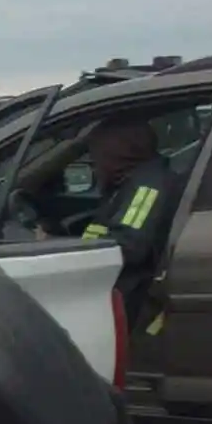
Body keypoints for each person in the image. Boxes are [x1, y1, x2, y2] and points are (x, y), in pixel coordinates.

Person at [74, 116, 184, 332]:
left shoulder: (146, 189)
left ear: (118, 153)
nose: (95, 165)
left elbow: (129, 246)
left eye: (98, 155)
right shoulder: (135, 181)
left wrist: (61, 250)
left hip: (132, 303)